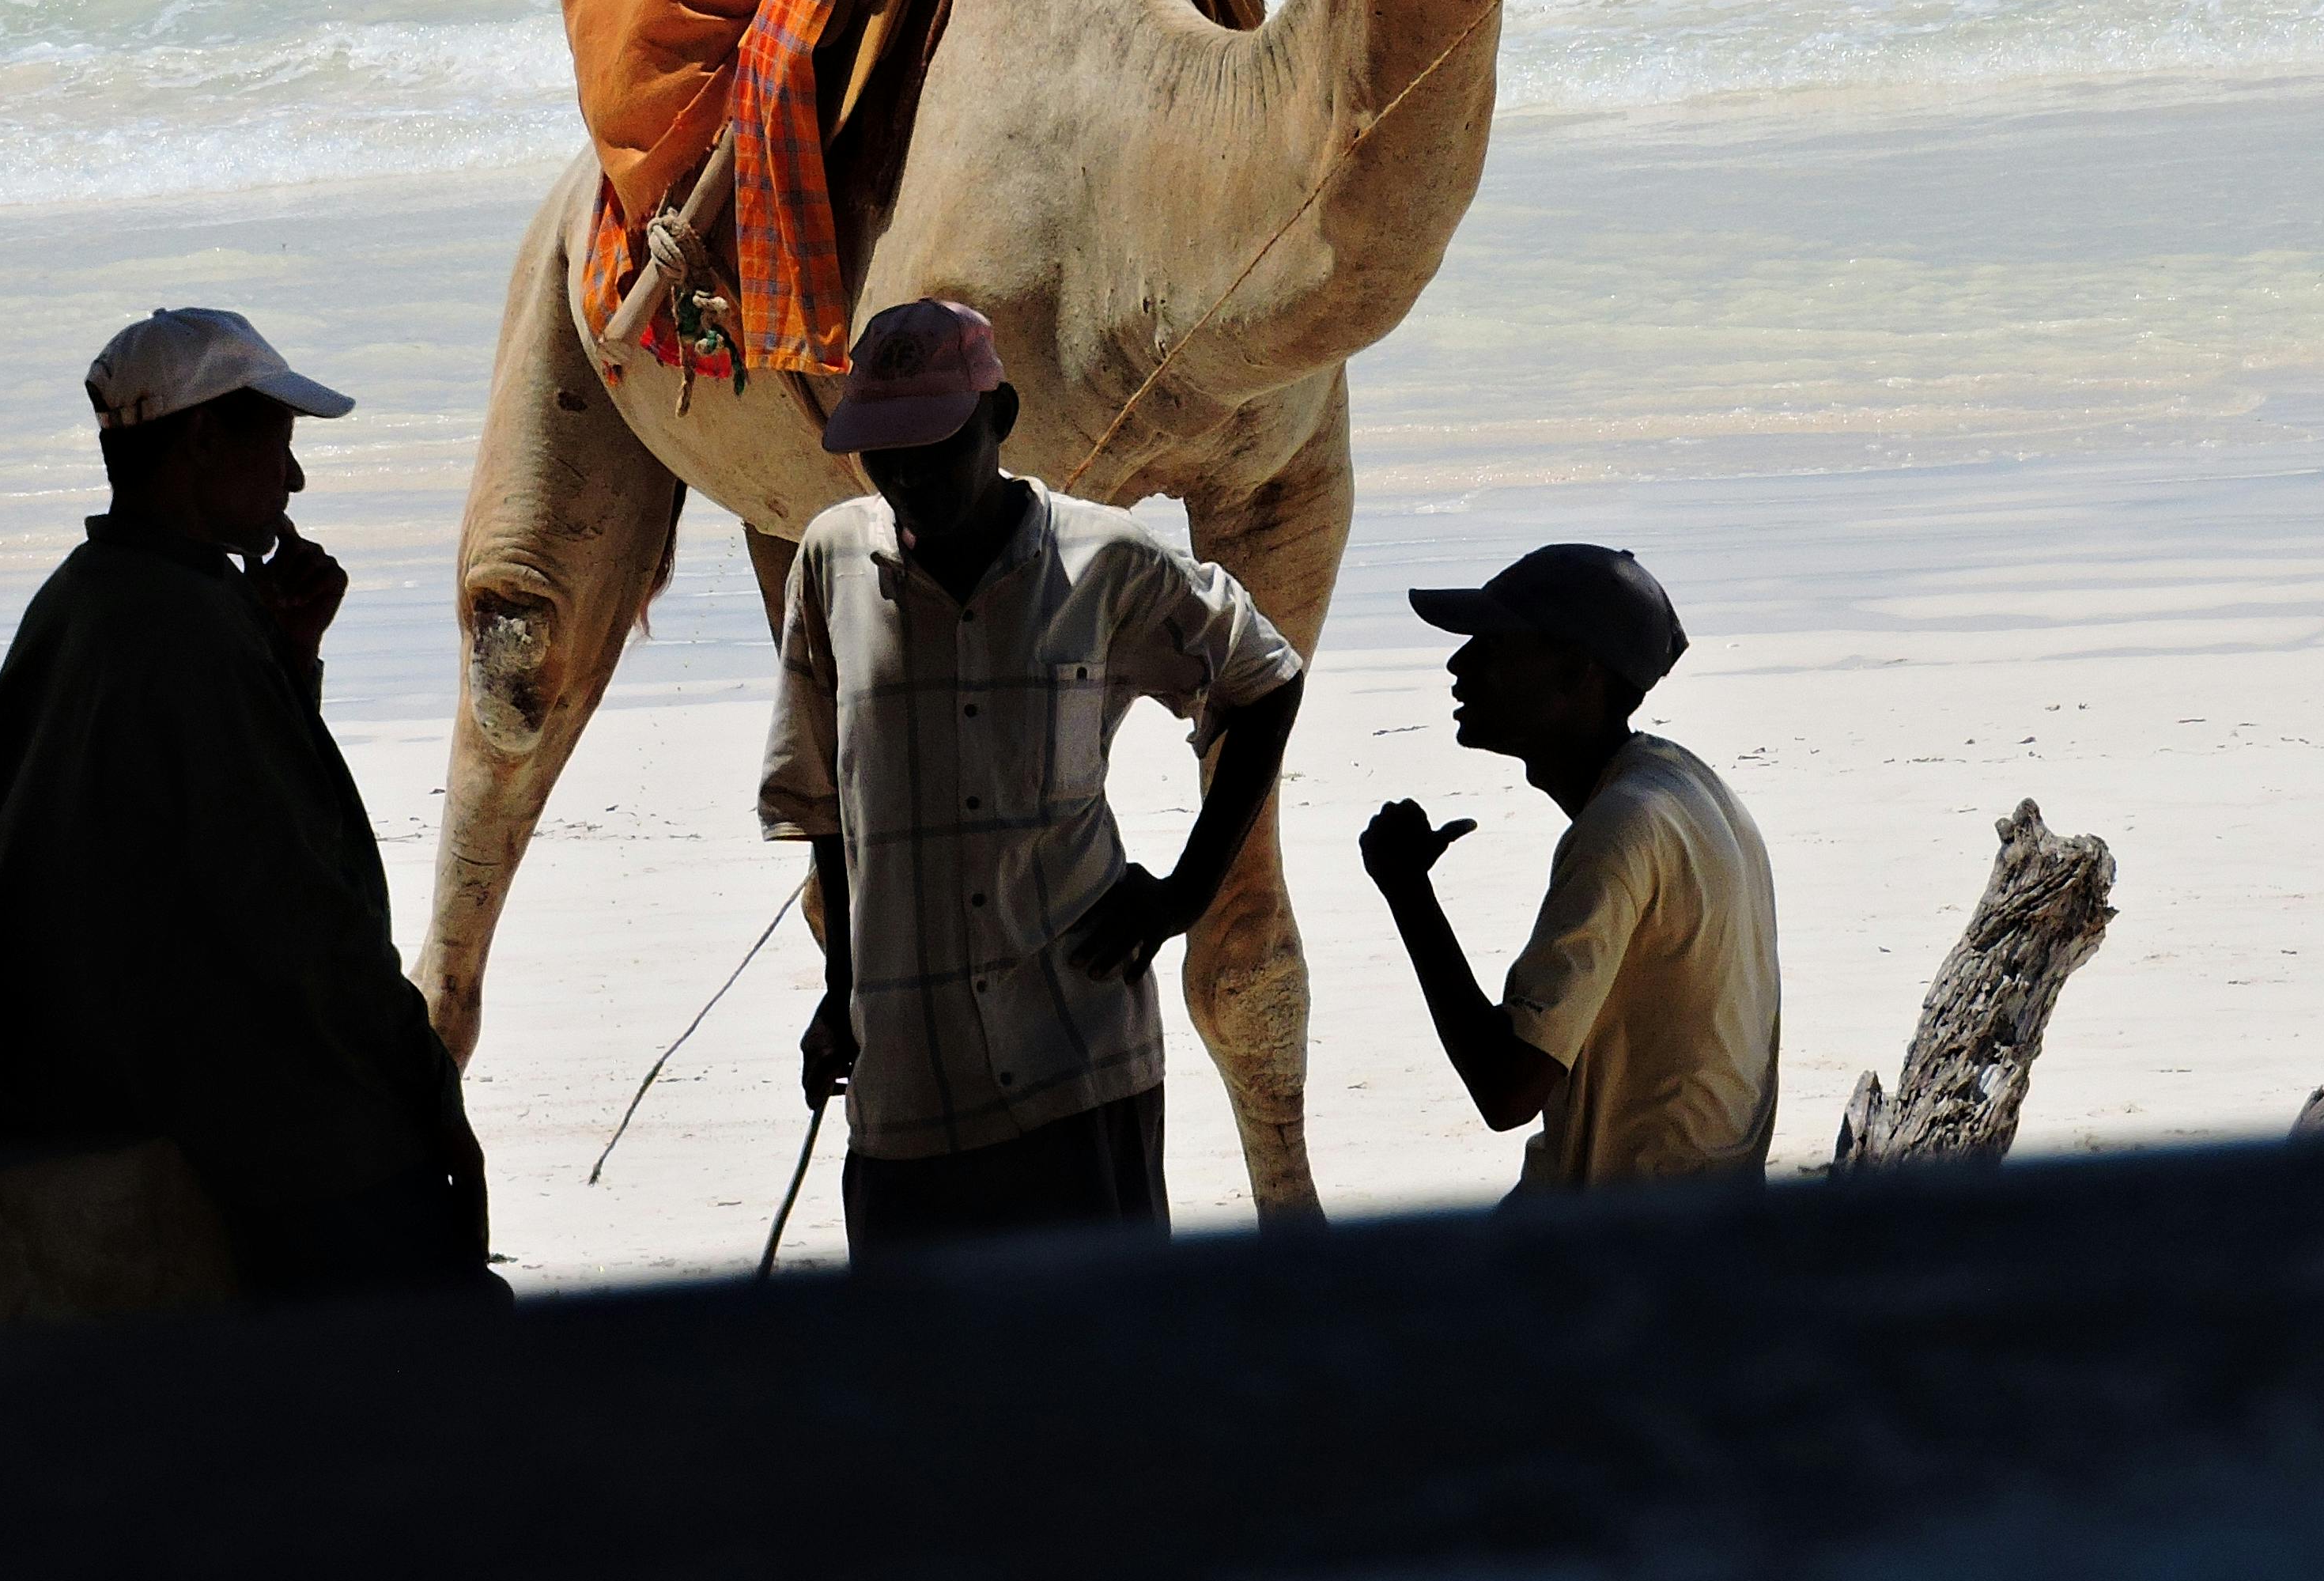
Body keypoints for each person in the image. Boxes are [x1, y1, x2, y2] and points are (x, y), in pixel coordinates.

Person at [0, 307, 499, 1303]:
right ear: (202, 440)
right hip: (195, 1099)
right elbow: (298, 911)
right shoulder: (187, 632)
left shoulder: (85, 599)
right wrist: (427, 1079)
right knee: (439, 1286)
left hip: (71, 1074)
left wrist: (288, 661)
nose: (293, 483)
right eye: (279, 449)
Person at [759, 297, 1306, 1249]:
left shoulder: (1108, 560)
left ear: (999, 417)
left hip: (1079, 1065)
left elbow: (1263, 679)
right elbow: (824, 812)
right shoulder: (830, 562)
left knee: (1104, 1376)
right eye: (884, 452)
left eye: (935, 443)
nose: (908, 476)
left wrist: (1185, 896)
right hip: (908, 1082)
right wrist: (844, 992)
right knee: (926, 1388)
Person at [1359, 543, 1779, 1197]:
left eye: (1493, 645)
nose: (1458, 663)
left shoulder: (1620, 830)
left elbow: (1506, 1091)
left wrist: (1407, 891)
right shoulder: (1687, 786)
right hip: (1709, 1220)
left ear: (1578, 673)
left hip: (1628, 1247)